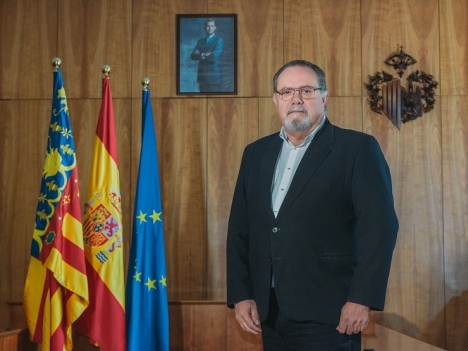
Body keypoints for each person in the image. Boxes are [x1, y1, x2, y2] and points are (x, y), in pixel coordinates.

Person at [226, 59, 398, 350]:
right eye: (286, 92)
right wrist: (241, 294)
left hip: (330, 312)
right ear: (275, 100)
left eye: (306, 90)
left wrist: (362, 298)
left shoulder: (356, 149)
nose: (295, 99)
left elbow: (380, 228)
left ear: (324, 97)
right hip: (268, 312)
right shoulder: (255, 154)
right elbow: (239, 230)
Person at [190, 18, 224, 93]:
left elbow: (213, 57)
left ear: (215, 27)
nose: (210, 28)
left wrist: (200, 54)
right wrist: (204, 54)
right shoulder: (200, 41)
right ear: (205, 27)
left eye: (212, 26)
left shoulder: (219, 41)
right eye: (208, 26)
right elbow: (193, 56)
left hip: (213, 78)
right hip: (202, 77)